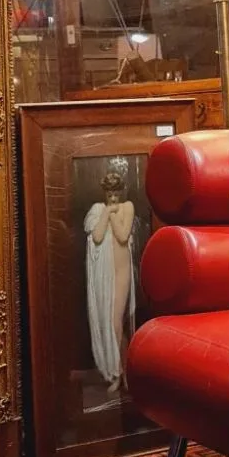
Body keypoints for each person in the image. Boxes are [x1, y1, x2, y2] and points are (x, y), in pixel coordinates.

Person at [84, 158, 136, 396]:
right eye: (109, 195)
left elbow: (123, 235)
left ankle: (122, 373)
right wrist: (106, 211)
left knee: (116, 322)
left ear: (121, 192)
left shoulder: (128, 207)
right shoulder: (99, 209)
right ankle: (122, 373)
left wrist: (114, 212)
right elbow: (96, 236)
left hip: (122, 271)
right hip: (105, 274)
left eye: (116, 194)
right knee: (111, 324)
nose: (113, 199)